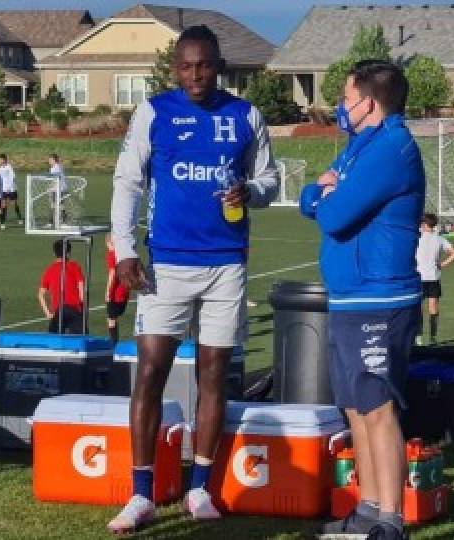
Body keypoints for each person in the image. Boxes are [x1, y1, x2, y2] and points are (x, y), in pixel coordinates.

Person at [107, 25, 278, 533]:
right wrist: (125, 251)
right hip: (166, 266)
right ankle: (140, 495)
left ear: (219, 65)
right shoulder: (154, 112)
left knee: (213, 375)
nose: (195, 74)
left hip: (226, 263)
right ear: (174, 68)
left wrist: (249, 191)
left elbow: (269, 182)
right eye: (186, 65)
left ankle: (200, 487)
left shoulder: (246, 115)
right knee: (150, 372)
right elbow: (128, 183)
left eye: (204, 64)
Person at [300, 59, 422, 540]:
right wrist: (318, 193)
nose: (341, 109)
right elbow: (317, 194)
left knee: (377, 407)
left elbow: (333, 216)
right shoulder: (357, 148)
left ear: (368, 102)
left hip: (380, 296)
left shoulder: (392, 149)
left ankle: (391, 517)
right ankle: (368, 507)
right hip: (348, 296)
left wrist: (323, 197)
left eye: (346, 99)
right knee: (354, 407)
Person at [415, 213, 454, 346]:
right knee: (433, 308)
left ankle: (418, 337)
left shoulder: (417, 237)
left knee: (418, 309)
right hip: (433, 277)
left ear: (424, 224)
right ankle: (433, 338)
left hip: (419, 277)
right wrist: (442, 264)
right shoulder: (439, 239)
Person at [38, 240, 86, 335]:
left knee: (54, 341)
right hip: (74, 310)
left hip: (58, 311)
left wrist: (48, 313)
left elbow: (40, 295)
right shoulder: (74, 266)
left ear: (54, 253)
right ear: (68, 252)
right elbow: (81, 288)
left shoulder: (49, 270)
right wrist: (82, 307)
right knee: (80, 341)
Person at [104, 236, 130, 344]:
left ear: (109, 243)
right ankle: (115, 341)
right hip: (125, 290)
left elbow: (112, 273)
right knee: (114, 317)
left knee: (111, 319)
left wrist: (108, 291)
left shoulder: (111, 255)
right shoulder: (123, 254)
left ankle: (113, 344)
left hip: (116, 292)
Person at [0, 154, 23, 225]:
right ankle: (3, 220)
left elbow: (13, 177)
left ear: (4, 160)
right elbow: (0, 179)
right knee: (3, 204)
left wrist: (9, 187)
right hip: (4, 189)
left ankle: (19, 218)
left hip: (11, 189)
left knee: (14, 204)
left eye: (0, 159)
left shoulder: (9, 167)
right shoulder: (0, 168)